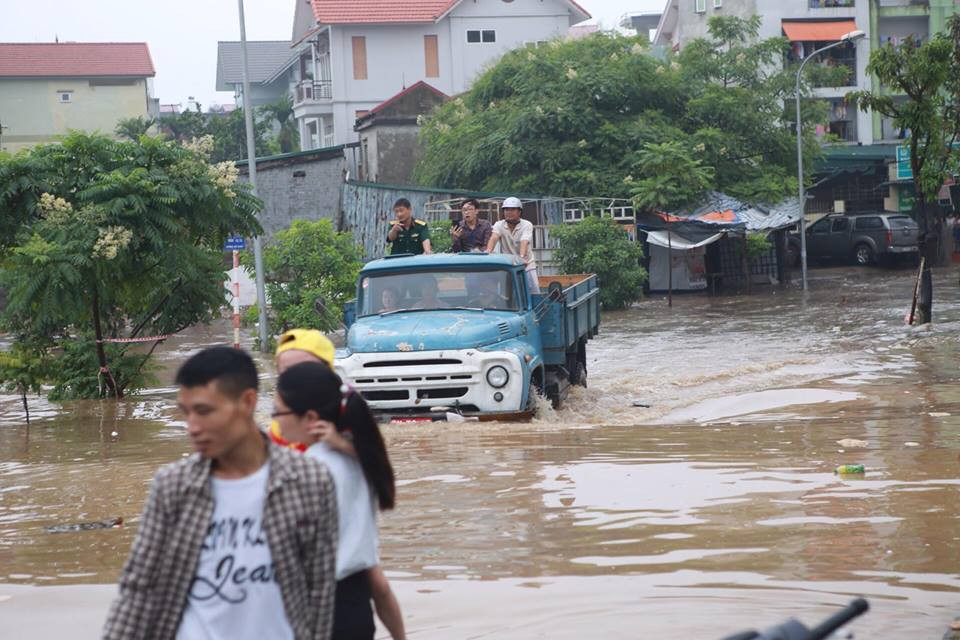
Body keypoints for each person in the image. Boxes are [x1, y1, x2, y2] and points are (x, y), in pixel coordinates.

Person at [102, 346, 338, 640]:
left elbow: (320, 591)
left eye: (204, 411)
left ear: (247, 402)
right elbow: (139, 588)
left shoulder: (309, 481)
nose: (192, 427)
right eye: (186, 413)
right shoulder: (174, 487)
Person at [270, 330, 407, 640]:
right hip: (353, 602)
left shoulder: (312, 468)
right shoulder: (359, 456)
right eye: (284, 372)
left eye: (278, 411)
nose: (274, 416)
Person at [486, 196, 540, 294]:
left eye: (512, 209)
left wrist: (522, 258)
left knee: (533, 290)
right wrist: (488, 253)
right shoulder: (499, 224)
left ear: (519, 212)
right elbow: (494, 238)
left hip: (526, 264)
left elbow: (524, 241)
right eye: (506, 209)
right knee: (505, 292)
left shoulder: (526, 224)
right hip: (508, 265)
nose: (509, 212)